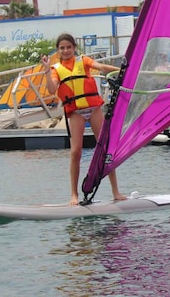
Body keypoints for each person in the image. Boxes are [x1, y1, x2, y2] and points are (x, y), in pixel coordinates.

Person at [41, 33, 126, 205]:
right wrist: (45, 70)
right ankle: (74, 195)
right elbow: (51, 90)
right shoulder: (55, 69)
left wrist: (122, 71)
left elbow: (101, 67)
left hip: (93, 109)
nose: (66, 50)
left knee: (106, 150)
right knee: (75, 152)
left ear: (74, 48)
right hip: (76, 113)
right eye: (62, 48)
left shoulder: (83, 60)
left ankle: (115, 191)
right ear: (58, 51)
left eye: (68, 47)